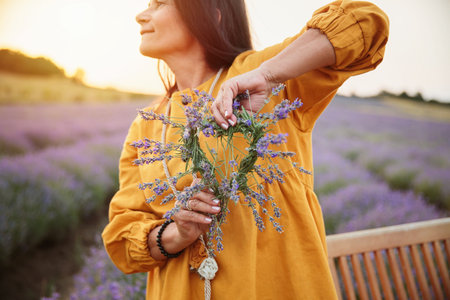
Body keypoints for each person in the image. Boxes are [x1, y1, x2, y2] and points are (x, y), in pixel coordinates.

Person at [102, 0, 389, 299]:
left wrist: (269, 75)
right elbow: (122, 237)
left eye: (159, 3)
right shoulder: (148, 124)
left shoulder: (259, 76)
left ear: (210, 15)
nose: (141, 15)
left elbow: (366, 22)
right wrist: (176, 233)